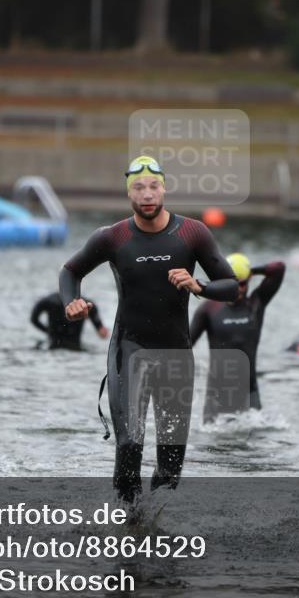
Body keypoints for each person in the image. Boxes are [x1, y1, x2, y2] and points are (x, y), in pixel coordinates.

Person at [59, 156, 238, 503]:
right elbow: (70, 271)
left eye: (153, 186)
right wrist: (71, 302)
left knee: (171, 462)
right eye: (139, 188)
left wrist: (198, 286)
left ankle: (156, 521)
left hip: (175, 355)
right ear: (129, 194)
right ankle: (127, 522)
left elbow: (231, 287)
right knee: (129, 445)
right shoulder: (113, 236)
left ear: (164, 188)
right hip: (129, 351)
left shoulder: (193, 233)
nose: (147, 194)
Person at [190, 253, 286, 421]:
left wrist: (251, 271)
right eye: (235, 284)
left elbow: (279, 268)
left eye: (243, 283)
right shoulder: (208, 309)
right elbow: (186, 343)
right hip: (217, 399)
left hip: (250, 394)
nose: (239, 289)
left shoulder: (256, 303)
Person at [31, 291, 109, 350]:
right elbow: (103, 333)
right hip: (75, 346)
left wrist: (47, 330)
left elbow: (34, 320)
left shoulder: (48, 301)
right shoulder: (85, 304)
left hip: (53, 345)